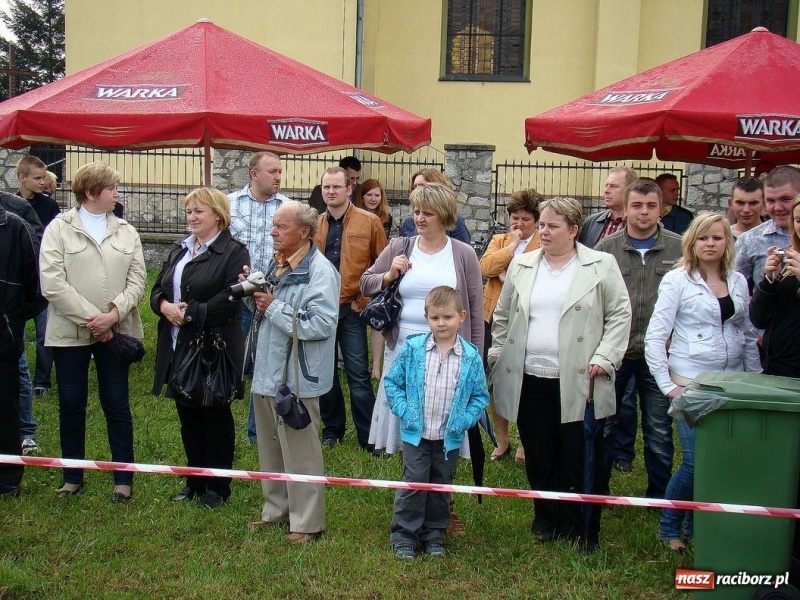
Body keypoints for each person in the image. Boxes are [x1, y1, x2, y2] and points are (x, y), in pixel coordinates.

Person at [489, 197, 631, 554]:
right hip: (530, 377)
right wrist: (497, 353)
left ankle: (580, 524)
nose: (544, 232)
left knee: (579, 453)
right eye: (542, 226)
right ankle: (546, 518)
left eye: (552, 226)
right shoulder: (522, 264)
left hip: (580, 379)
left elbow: (619, 315)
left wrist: (605, 357)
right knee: (539, 452)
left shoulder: (601, 265)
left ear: (573, 230)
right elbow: (503, 315)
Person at [645, 213, 760, 552]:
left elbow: (747, 332)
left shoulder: (738, 280)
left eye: (718, 238)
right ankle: (669, 527)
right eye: (703, 238)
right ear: (691, 242)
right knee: (696, 461)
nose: (710, 244)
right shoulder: (677, 280)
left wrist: (756, 381)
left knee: (721, 460)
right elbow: (655, 338)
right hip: (690, 383)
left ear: (728, 242)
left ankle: (696, 525)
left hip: (732, 383)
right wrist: (668, 386)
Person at [39, 161, 146, 503]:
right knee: (71, 403)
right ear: (90, 192)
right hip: (69, 333)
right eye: (112, 187)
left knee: (116, 403)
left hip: (115, 333)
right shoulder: (58, 228)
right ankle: (72, 476)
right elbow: (53, 284)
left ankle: (123, 479)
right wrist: (92, 318)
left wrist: (113, 315)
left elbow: (138, 280)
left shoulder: (127, 230)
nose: (118, 193)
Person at [361, 182, 483, 456]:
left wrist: (476, 360)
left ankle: (441, 488)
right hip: (403, 348)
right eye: (416, 211)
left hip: (447, 352)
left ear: (444, 215)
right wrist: (389, 276)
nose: (419, 218)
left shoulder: (464, 254)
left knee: (440, 423)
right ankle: (412, 480)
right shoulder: (400, 246)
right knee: (407, 423)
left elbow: (475, 310)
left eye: (427, 213)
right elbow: (365, 282)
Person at [151, 187, 250, 509]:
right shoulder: (180, 248)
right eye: (189, 211)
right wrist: (164, 306)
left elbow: (231, 298)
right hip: (178, 342)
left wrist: (190, 313)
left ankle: (217, 487)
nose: (191, 217)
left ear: (218, 216)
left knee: (214, 415)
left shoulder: (234, 251)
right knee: (188, 413)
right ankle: (193, 480)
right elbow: (159, 287)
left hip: (214, 346)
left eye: (198, 212)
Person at [248, 201, 340, 545]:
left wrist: (274, 307)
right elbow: (267, 312)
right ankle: (275, 511)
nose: (273, 232)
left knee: (301, 450)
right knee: (270, 446)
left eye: (281, 227)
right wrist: (253, 292)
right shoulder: (277, 264)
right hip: (269, 373)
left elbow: (321, 323)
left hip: (299, 378)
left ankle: (307, 523)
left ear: (304, 232)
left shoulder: (322, 272)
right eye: (273, 226)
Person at [384, 286, 490, 559]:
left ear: (461, 316)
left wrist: (465, 420)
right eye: (435, 318)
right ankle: (404, 534)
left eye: (448, 317)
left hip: (448, 438)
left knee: (441, 485)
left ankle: (434, 533)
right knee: (416, 481)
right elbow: (392, 383)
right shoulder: (413, 349)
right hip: (415, 435)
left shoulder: (470, 357)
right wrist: (405, 411)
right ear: (426, 317)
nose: (441, 323)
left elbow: (480, 396)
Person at [595, 180, 682, 499]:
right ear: (625, 209)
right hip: (616, 353)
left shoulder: (680, 248)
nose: (643, 213)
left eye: (650, 206)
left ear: (662, 209)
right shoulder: (606, 250)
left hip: (659, 356)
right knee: (605, 426)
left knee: (659, 431)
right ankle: (599, 493)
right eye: (637, 205)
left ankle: (658, 497)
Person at [313, 167, 387, 450]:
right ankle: (332, 430)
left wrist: (363, 301)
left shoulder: (369, 222)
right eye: (326, 187)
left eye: (336, 187)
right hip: (321, 309)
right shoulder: (316, 223)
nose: (331, 192)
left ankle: (368, 435)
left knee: (358, 374)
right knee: (325, 374)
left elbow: (382, 264)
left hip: (351, 309)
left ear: (348, 190)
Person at [228, 151, 291, 443]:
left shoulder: (290, 208)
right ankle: (220, 418)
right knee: (229, 362)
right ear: (254, 174)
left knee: (266, 365)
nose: (278, 176)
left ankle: (257, 431)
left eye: (280, 171)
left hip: (272, 300)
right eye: (272, 171)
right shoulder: (229, 205)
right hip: (235, 299)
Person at [479, 188, 542, 463]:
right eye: (514, 218)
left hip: (527, 321)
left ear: (536, 221)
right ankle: (502, 439)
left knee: (525, 382)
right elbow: (484, 268)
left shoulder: (543, 243)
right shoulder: (500, 240)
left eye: (525, 219)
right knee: (495, 380)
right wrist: (511, 248)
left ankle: (525, 442)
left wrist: (506, 278)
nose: (518, 224)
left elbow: (534, 280)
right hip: (494, 317)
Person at [0, 203, 45, 497]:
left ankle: (7, 479)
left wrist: (11, 319)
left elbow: (36, 288)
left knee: (5, 409)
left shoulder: (14, 227)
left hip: (3, 338)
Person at [17, 155, 60, 401]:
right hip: (17, 278)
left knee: (46, 332)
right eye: (37, 178)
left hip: (42, 276)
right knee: (16, 333)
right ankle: (17, 376)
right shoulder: (8, 204)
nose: (42, 182)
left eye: (44, 177)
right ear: (22, 178)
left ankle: (41, 381)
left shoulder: (49, 206)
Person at [750, 194, 800, 376]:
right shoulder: (789, 257)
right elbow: (759, 319)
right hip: (777, 366)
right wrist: (769, 281)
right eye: (798, 220)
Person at [735, 166, 800, 292]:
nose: (777, 208)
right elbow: (736, 291)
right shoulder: (749, 241)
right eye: (770, 201)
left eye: (785, 199)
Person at [354, 178, 393, 380]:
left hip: (379, 272)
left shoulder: (387, 218)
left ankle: (376, 365)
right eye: (369, 194)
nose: (373, 198)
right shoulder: (355, 218)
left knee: (378, 319)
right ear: (362, 197)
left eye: (377, 195)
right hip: (361, 272)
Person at [399, 169, 471, 245]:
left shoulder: (455, 221)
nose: (416, 190)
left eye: (421, 186)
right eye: (414, 187)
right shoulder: (408, 222)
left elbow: (463, 252)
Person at [577, 166, 637, 247]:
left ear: (630, 190)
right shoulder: (592, 222)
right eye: (606, 185)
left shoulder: (639, 223)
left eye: (614, 186)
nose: (606, 191)